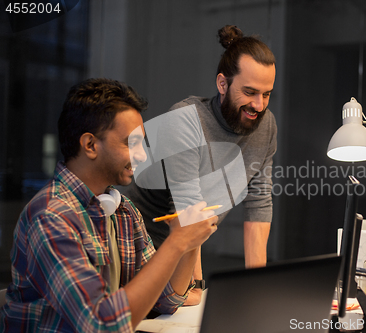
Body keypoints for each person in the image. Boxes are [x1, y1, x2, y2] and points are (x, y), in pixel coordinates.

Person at [0, 78, 218, 332]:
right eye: (130, 143)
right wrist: (176, 242)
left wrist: (190, 242)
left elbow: (165, 299)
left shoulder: (122, 210)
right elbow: (102, 324)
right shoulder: (51, 217)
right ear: (90, 145)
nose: (142, 155)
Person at [121, 25, 277, 304]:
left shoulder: (266, 126)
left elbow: (259, 201)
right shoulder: (185, 121)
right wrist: (194, 285)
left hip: (185, 249)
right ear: (222, 84)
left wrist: (259, 287)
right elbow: (188, 211)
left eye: (266, 94)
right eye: (250, 92)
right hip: (138, 255)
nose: (259, 105)